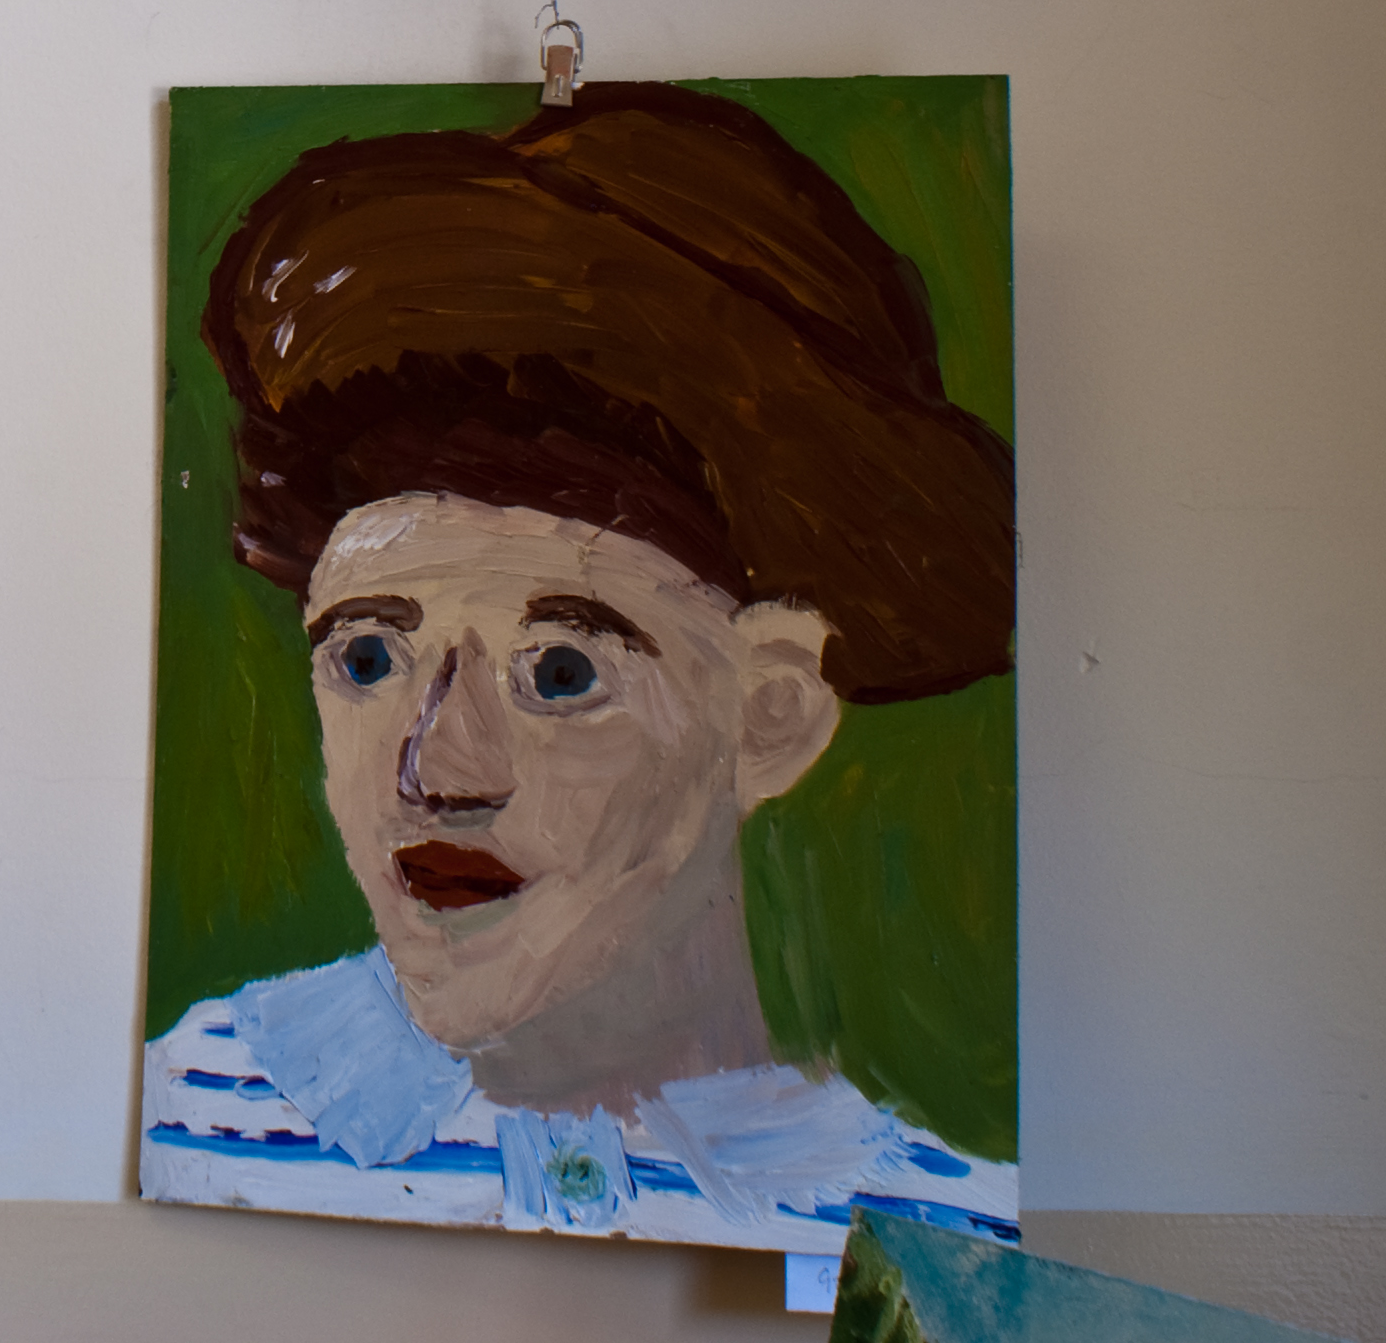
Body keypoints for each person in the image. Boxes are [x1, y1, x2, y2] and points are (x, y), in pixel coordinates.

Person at [141, 84, 1021, 1254]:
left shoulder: (929, 1233)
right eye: (366, 657)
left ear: (767, 714)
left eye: (558, 674)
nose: (435, 769)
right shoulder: (196, 1112)